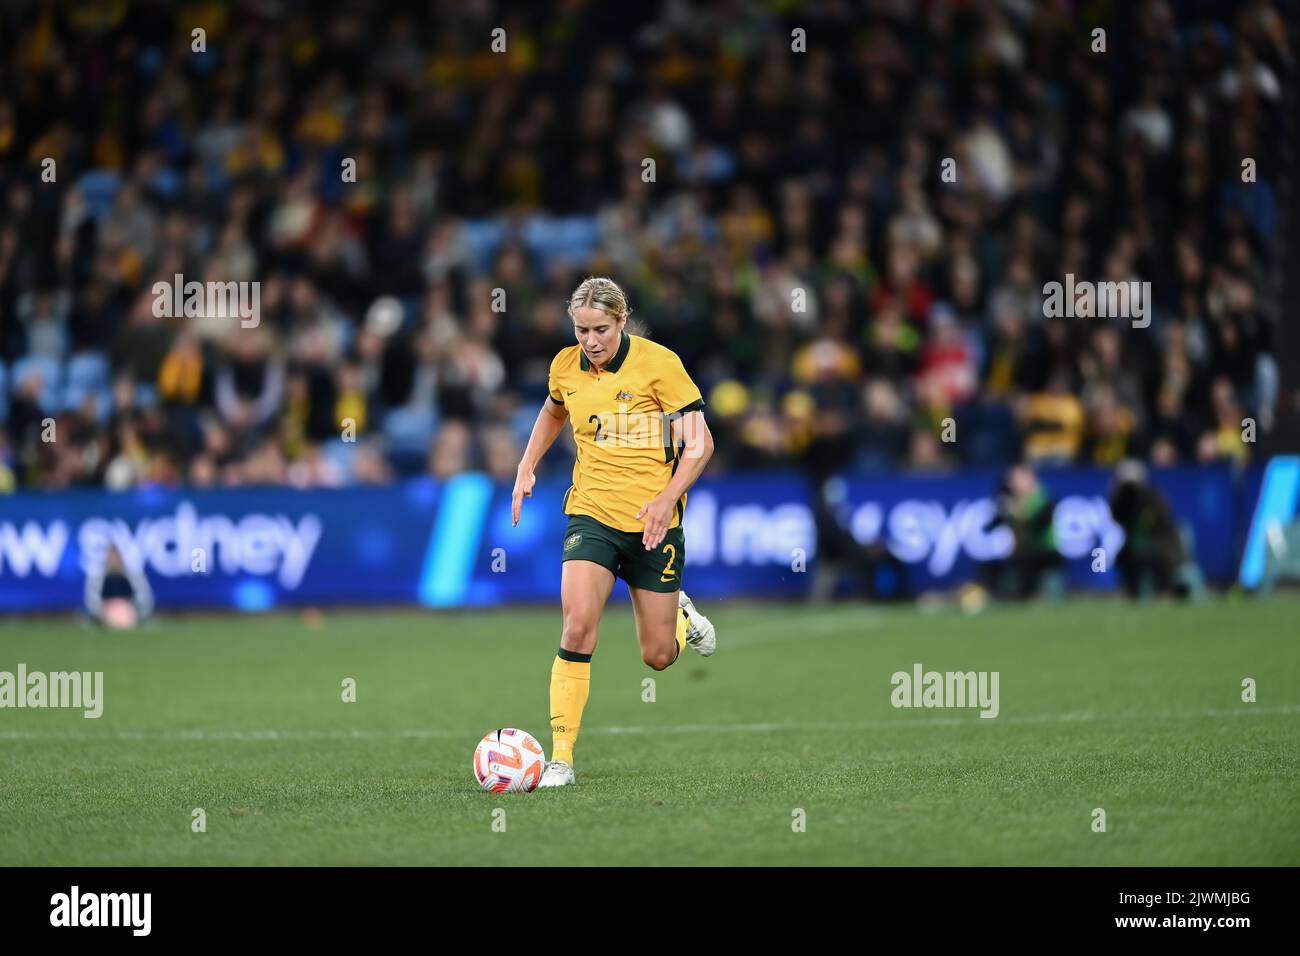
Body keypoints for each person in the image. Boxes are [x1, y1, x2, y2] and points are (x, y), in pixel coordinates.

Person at [511, 276, 717, 788]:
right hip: (592, 514)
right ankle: (561, 758)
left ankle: (680, 615)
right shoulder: (565, 365)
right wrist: (526, 464)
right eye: (581, 330)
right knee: (578, 627)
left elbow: (701, 444)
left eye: (601, 329)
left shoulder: (660, 365)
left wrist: (668, 498)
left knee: (658, 656)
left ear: (622, 321)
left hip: (654, 524)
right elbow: (555, 408)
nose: (591, 341)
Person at [84, 546, 155, 629]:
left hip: (127, 608)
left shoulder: (130, 576)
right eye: (111, 558)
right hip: (107, 609)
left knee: (123, 616)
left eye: (115, 558)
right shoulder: (99, 577)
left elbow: (142, 596)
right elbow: (93, 598)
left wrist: (135, 609)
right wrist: (101, 610)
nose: (113, 561)